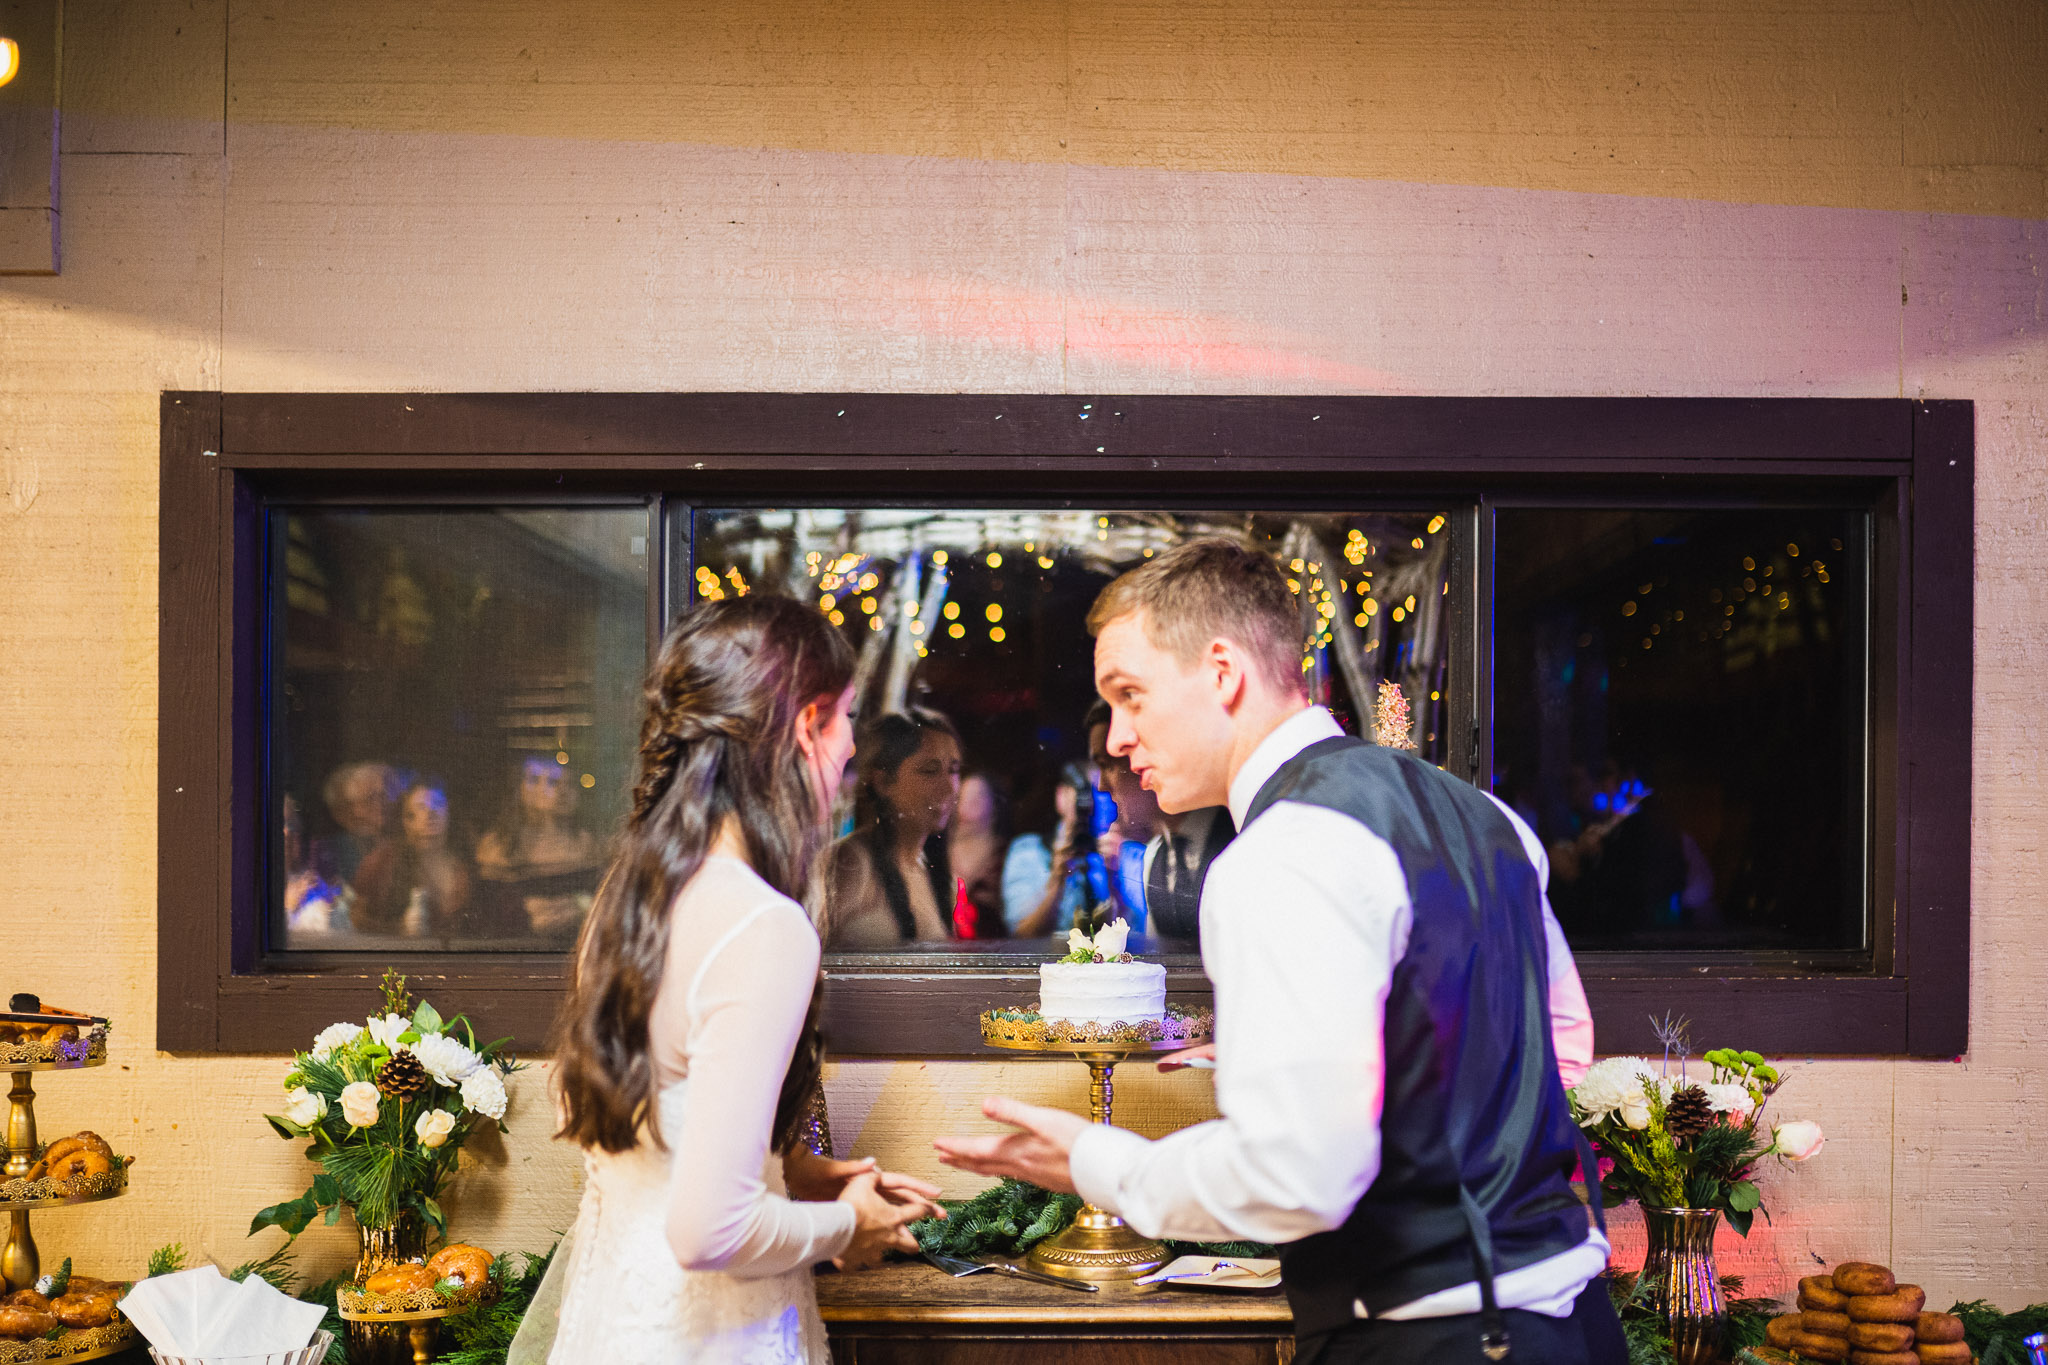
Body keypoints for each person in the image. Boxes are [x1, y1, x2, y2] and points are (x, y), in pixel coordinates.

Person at [935, 538, 1619, 1365]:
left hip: (1431, 1335)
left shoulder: (1282, 852)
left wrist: (1101, 1164)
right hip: (1575, 1324)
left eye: (1130, 695)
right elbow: (1559, 1045)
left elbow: (1300, 1179)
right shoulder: (1485, 814)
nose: (1115, 737)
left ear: (1222, 671)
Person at [535, 596, 943, 1365]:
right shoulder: (761, 924)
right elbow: (709, 1229)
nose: (850, 751)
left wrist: (789, 1173)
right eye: (846, 721)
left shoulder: (628, 900)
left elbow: (656, 1144)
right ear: (805, 726)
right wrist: (850, 1224)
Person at [822, 708, 966, 946]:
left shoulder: (936, 873)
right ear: (882, 782)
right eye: (930, 771)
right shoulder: (851, 864)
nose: (949, 787)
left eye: (954, 770)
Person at [475, 754, 604, 940]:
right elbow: (487, 909)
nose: (561, 791)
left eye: (569, 784)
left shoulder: (587, 843)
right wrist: (525, 915)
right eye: (550, 782)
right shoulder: (498, 844)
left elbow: (602, 897)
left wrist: (580, 907)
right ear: (520, 788)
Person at [351, 778, 472, 937]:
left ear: (449, 814)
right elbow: (356, 919)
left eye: (438, 804)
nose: (430, 814)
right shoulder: (383, 861)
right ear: (406, 819)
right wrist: (399, 929)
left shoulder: (464, 867)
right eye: (421, 807)